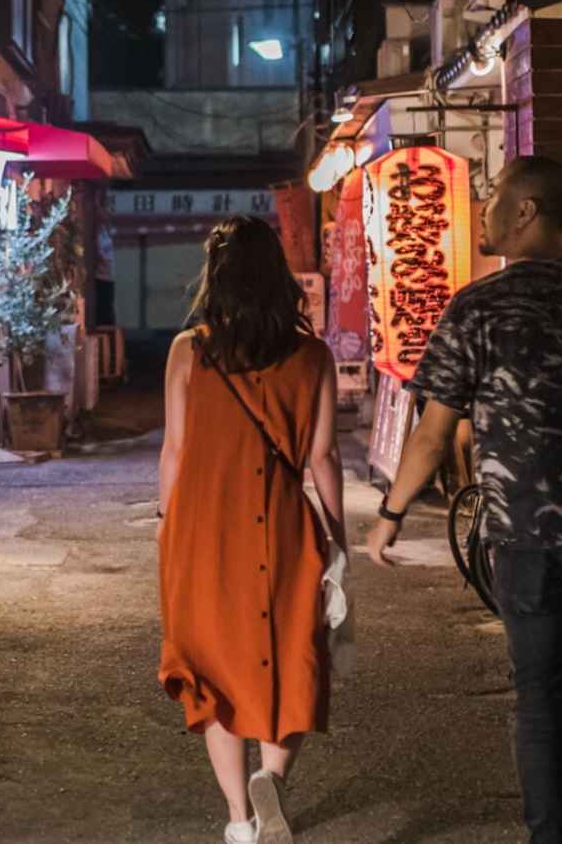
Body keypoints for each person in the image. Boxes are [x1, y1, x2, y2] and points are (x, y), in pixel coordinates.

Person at [365, 156, 562, 844]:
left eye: (493, 200)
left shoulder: (479, 308)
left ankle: (549, 834)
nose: (483, 212)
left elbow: (431, 434)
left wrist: (391, 515)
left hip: (528, 540)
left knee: (539, 696)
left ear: (527, 211)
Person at [158, 215, 350, 844]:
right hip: (285, 531)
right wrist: (337, 540)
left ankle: (240, 820)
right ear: (278, 278)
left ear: (216, 278)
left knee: (212, 674)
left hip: (203, 531)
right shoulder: (313, 356)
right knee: (292, 657)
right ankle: (273, 775)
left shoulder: (190, 351)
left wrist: (167, 530)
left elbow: (176, 451)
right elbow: (322, 455)